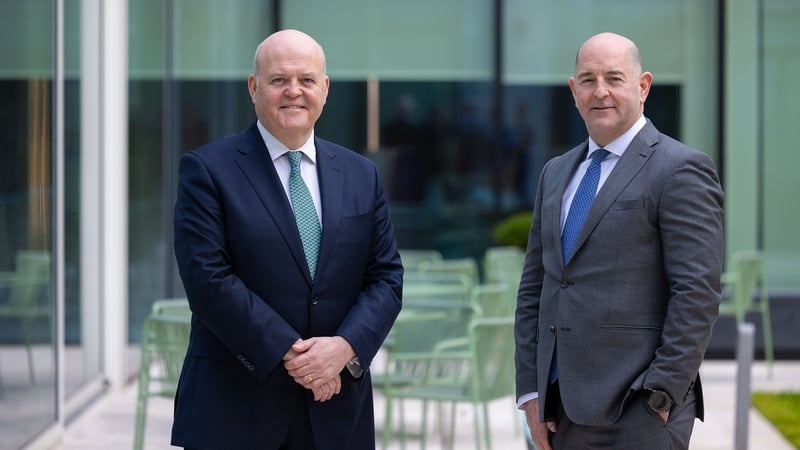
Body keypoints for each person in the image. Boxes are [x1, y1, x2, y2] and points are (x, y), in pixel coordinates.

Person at [171, 29, 403, 450]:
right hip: (235, 411)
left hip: (337, 413)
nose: (294, 91)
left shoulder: (360, 174)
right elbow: (207, 280)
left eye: (307, 80)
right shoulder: (206, 170)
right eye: (279, 80)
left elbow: (386, 277)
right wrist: (293, 353)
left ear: (325, 89)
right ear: (254, 88)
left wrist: (344, 348)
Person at [515, 32, 724, 450]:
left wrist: (661, 395)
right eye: (588, 80)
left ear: (643, 86)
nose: (601, 91)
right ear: (574, 91)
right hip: (561, 412)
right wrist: (531, 393)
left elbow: (696, 293)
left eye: (614, 78)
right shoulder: (555, 173)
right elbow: (536, 288)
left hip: (638, 412)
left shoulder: (680, 169)